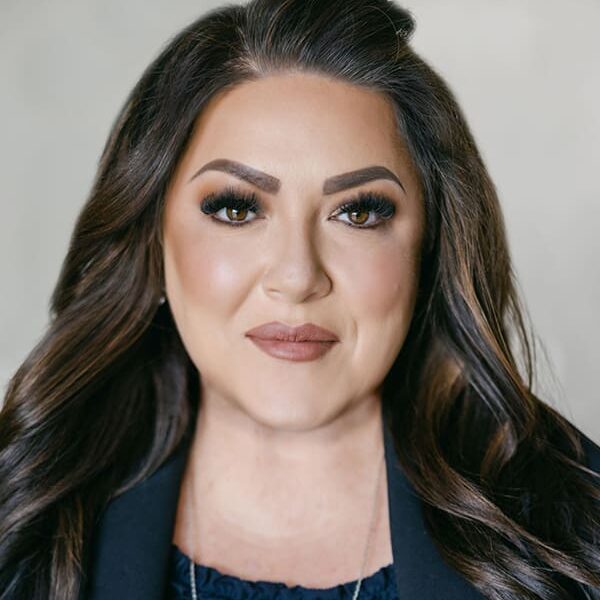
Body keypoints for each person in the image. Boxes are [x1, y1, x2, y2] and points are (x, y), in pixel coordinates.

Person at [0, 0, 598, 598]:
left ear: (431, 245)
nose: (297, 276)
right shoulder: (21, 521)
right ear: (154, 238)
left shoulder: (577, 532)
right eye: (236, 208)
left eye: (358, 212)